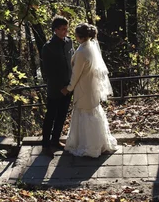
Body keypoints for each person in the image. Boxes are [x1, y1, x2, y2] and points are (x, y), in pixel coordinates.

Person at [61, 23, 118, 158]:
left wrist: (69, 88)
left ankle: (89, 146)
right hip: (91, 87)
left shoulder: (81, 52)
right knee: (93, 114)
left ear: (79, 36)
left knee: (85, 116)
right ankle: (99, 142)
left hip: (84, 88)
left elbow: (76, 74)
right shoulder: (90, 46)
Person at [41, 16, 74, 154]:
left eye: (66, 29)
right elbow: (47, 71)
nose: (65, 32)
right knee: (51, 116)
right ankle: (45, 145)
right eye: (62, 29)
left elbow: (72, 63)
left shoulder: (69, 42)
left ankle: (55, 140)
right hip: (55, 89)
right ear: (55, 30)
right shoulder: (48, 47)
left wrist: (70, 85)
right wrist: (61, 87)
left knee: (62, 115)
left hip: (69, 86)